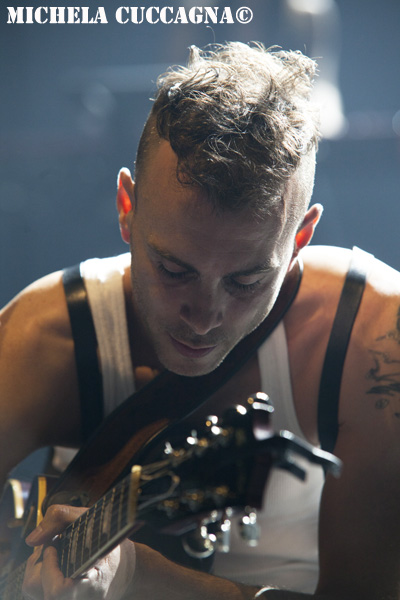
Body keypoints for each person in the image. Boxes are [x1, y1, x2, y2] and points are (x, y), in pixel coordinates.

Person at [1, 41, 400, 600]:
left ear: (300, 238)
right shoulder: (45, 337)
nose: (205, 317)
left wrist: (137, 575)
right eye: (173, 270)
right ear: (126, 207)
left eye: (246, 281)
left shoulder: (371, 339)